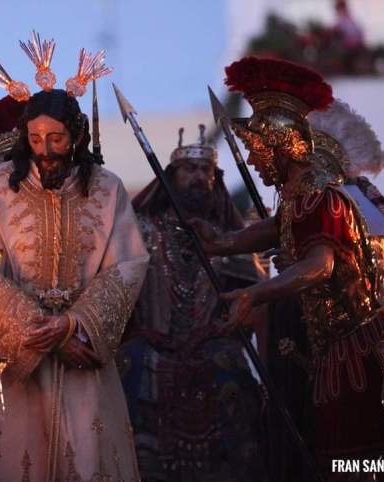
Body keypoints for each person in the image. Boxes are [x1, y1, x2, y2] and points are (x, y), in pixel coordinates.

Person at [0, 38, 149, 481]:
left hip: (84, 355)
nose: (44, 150)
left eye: (56, 139)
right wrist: (45, 333)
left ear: (76, 137)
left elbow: (128, 264)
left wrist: (77, 323)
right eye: (36, 139)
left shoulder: (108, 189)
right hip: (17, 365)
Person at [192, 56, 384, 476]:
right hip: (329, 347)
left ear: (281, 147)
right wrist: (220, 244)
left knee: (355, 460)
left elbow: (319, 265)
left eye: (256, 151)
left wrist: (255, 292)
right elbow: (274, 229)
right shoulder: (299, 201)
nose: (252, 162)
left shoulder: (324, 199)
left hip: (352, 349)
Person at [120, 125, 268, 481]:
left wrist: (234, 317)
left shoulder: (231, 236)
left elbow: (257, 292)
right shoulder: (141, 229)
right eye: (189, 169)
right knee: (132, 367)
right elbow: (117, 287)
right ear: (172, 176)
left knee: (232, 373)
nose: (199, 177)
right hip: (152, 344)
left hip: (212, 344)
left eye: (206, 170)